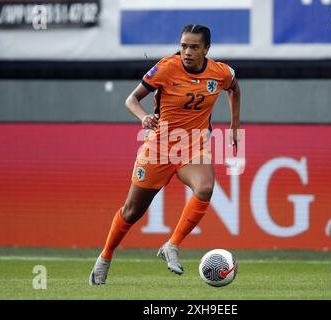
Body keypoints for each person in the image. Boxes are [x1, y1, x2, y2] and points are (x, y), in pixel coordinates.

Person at [89, 24, 241, 285]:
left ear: (207, 49)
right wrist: (144, 116)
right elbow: (131, 100)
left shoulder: (220, 72)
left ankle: (172, 245)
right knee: (131, 212)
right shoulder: (166, 68)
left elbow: (234, 89)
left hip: (193, 145)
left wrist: (234, 127)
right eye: (184, 46)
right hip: (159, 148)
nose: (187, 52)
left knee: (205, 188)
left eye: (194, 47)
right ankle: (104, 258)